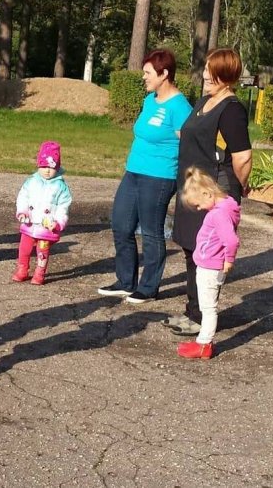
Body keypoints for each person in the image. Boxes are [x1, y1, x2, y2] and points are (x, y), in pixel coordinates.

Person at [98, 50, 193, 303]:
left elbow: (189, 145)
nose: (144, 77)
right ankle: (125, 281)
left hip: (160, 176)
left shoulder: (180, 107)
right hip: (134, 171)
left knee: (151, 232)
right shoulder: (150, 100)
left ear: (164, 74)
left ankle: (149, 287)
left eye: (148, 73)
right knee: (121, 225)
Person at [169, 48, 252, 336]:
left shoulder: (231, 110)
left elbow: (242, 156)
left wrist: (240, 184)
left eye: (210, 70)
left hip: (216, 189)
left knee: (206, 252)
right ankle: (193, 310)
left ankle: (200, 317)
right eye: (205, 69)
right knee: (191, 247)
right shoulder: (205, 100)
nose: (204, 74)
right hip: (194, 187)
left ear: (225, 75)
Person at [176, 167, 240, 359]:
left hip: (210, 266)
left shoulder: (218, 214)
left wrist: (229, 259)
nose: (199, 209)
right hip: (209, 263)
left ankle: (204, 344)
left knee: (208, 308)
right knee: (207, 306)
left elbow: (231, 240)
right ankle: (203, 341)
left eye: (198, 204)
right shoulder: (225, 207)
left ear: (207, 194)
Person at [12, 141, 72, 285]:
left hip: (46, 226)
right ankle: (22, 269)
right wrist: (22, 211)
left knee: (42, 251)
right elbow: (23, 197)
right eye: (43, 166)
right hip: (30, 222)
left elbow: (63, 206)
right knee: (24, 248)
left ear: (57, 167)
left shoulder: (60, 186)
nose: (47, 171)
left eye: (51, 167)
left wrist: (58, 222)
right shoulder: (31, 182)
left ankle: (39, 273)